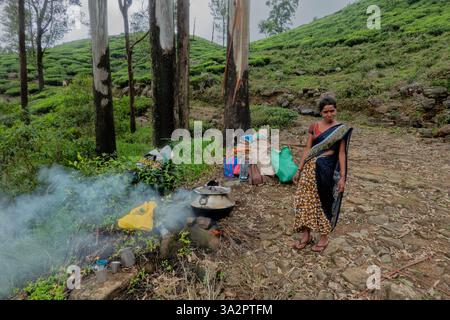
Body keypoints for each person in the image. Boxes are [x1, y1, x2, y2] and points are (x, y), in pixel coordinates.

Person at [292, 97, 353, 253]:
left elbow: (341, 154)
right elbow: (307, 148)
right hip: (308, 170)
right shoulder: (314, 127)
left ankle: (324, 237)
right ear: (320, 112)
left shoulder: (341, 130)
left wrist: (342, 177)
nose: (329, 114)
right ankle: (306, 235)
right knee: (304, 201)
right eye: (325, 111)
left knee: (324, 202)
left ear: (336, 110)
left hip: (325, 170)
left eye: (332, 110)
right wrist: (299, 169)